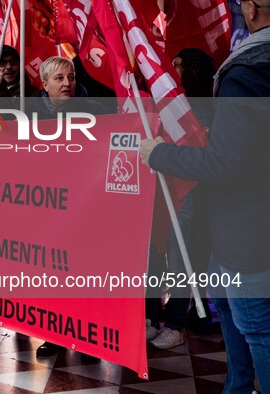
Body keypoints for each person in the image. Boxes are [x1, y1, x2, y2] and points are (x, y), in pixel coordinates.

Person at [139, 1, 270, 391]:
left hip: (247, 231)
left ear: (250, 9)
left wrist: (158, 154)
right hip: (238, 230)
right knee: (228, 308)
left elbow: (225, 163)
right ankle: (237, 383)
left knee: (256, 330)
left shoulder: (246, 73)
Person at [32, 56, 103, 358]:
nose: (67, 84)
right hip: (45, 210)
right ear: (44, 84)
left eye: (70, 77)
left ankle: (87, 336)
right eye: (59, 78)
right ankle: (56, 334)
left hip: (84, 208)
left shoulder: (96, 112)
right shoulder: (28, 116)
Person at [147, 48, 216, 349]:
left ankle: (176, 322)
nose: (171, 71)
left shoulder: (206, 106)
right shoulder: (168, 103)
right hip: (163, 189)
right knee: (158, 254)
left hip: (188, 191)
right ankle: (156, 316)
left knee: (181, 258)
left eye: (177, 66)